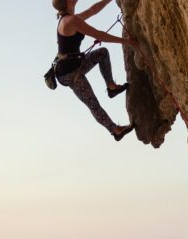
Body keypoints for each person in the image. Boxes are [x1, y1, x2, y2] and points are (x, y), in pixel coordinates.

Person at [52, 0, 135, 141]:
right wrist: (128, 42)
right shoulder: (70, 21)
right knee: (93, 103)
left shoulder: (71, 18)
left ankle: (111, 87)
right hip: (68, 74)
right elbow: (100, 35)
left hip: (75, 64)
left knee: (102, 52)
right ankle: (115, 130)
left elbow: (92, 10)